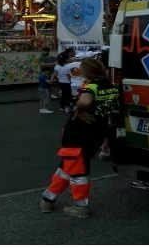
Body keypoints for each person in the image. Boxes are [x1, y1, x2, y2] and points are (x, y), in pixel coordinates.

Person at [38, 58, 120, 218]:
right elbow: (113, 114)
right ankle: (47, 199)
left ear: (87, 72)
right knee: (67, 167)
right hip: (96, 134)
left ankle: (80, 206)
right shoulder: (111, 88)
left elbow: (85, 101)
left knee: (77, 171)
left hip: (78, 135)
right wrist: (106, 140)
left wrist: (78, 108)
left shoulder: (90, 87)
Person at [52, 49, 79, 114]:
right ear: (66, 60)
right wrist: (71, 81)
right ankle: (67, 106)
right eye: (68, 59)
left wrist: (52, 80)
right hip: (67, 83)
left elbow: (55, 74)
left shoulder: (57, 66)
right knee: (68, 95)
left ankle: (62, 107)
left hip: (61, 82)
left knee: (64, 95)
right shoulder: (67, 67)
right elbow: (68, 76)